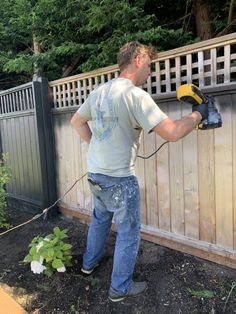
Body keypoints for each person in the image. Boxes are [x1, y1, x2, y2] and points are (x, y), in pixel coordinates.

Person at [71, 41, 208, 302]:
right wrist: (198, 115)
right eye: (148, 65)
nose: (149, 71)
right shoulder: (135, 95)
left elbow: (76, 121)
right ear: (137, 59)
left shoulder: (99, 92)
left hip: (95, 174)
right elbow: (173, 132)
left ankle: (88, 264)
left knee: (100, 219)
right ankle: (119, 289)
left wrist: (98, 145)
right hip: (120, 180)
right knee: (128, 233)